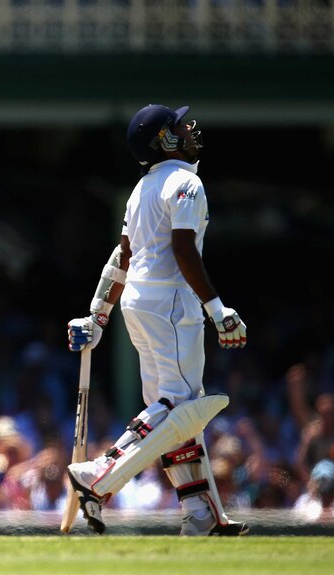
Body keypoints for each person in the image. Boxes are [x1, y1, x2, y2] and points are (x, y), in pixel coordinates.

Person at [65, 104, 249, 536]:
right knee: (180, 407)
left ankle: (202, 514)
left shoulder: (142, 187)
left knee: (172, 414)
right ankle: (98, 475)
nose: (190, 130)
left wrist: (98, 314)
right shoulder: (186, 181)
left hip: (139, 302)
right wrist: (218, 310)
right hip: (170, 302)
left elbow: (122, 256)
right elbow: (184, 250)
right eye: (179, 127)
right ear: (164, 140)